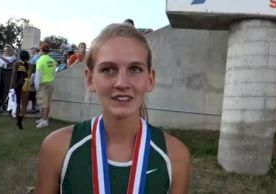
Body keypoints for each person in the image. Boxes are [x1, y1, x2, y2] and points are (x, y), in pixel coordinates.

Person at [36, 24, 191, 194]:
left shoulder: (175, 156)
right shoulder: (57, 148)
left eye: (135, 69)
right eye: (108, 69)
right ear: (90, 79)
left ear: (150, 79)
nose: (122, 83)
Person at [34, 43, 57, 128]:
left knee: (44, 103)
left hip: (43, 84)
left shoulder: (40, 60)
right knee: (47, 103)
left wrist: (36, 86)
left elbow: (38, 74)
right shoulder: (52, 60)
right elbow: (54, 72)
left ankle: (44, 121)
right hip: (51, 83)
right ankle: (45, 118)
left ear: (41, 50)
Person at [10, 50, 32, 129]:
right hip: (27, 85)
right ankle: (21, 118)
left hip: (18, 85)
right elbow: (29, 75)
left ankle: (17, 119)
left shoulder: (17, 64)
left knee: (18, 103)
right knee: (24, 104)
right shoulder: (30, 65)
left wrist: (11, 87)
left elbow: (14, 76)